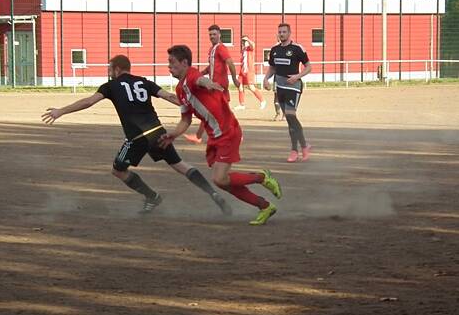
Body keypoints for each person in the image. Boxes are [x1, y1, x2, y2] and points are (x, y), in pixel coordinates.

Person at [41, 54, 231, 215]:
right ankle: (212, 193)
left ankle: (152, 197)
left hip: (137, 137)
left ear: (117, 69)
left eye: (110, 68)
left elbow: (88, 102)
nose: (109, 72)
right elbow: (171, 97)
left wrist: (61, 111)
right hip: (157, 132)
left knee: (118, 170)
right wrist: (198, 109)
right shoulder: (144, 82)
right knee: (180, 165)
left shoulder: (111, 86)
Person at [160, 45, 281, 226]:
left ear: (184, 63)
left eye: (172, 62)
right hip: (215, 136)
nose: (169, 66)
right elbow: (185, 119)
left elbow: (201, 80)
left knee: (219, 179)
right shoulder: (179, 89)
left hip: (228, 131)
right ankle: (264, 206)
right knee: (222, 182)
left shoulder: (192, 75)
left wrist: (209, 83)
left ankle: (262, 177)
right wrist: (173, 135)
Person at [183, 24, 240, 144]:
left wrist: (234, 79)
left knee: (208, 110)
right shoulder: (213, 49)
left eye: (214, 34)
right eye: (210, 34)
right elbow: (213, 66)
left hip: (218, 86)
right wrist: (202, 73)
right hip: (215, 85)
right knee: (217, 111)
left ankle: (200, 136)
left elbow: (230, 63)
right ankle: (234, 134)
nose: (212, 36)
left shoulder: (221, 48)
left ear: (219, 35)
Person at [263, 23, 312, 163]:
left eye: (284, 32)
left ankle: (295, 150)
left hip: (294, 87)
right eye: (280, 32)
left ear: (289, 33)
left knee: (290, 116)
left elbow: (309, 67)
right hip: (280, 87)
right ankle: (304, 146)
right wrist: (266, 79)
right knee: (290, 120)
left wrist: (297, 76)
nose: (282, 34)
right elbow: (272, 68)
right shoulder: (274, 50)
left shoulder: (297, 49)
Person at [234, 36, 266, 111]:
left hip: (249, 71)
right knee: (240, 86)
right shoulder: (243, 50)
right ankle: (242, 104)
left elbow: (253, 45)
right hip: (242, 71)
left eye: (244, 41)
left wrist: (247, 40)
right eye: (242, 41)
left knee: (251, 87)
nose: (243, 42)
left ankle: (262, 101)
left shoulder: (250, 48)